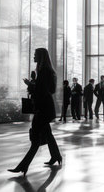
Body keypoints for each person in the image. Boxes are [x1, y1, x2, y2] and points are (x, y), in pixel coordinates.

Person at [8, 48, 61, 176]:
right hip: (45, 107)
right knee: (47, 134)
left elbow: (42, 91)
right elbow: (49, 90)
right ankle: (56, 156)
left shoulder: (43, 71)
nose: (33, 56)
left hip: (42, 108)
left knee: (36, 139)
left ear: (41, 57)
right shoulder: (46, 71)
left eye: (35, 55)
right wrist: (33, 84)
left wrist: (30, 85)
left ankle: (23, 166)